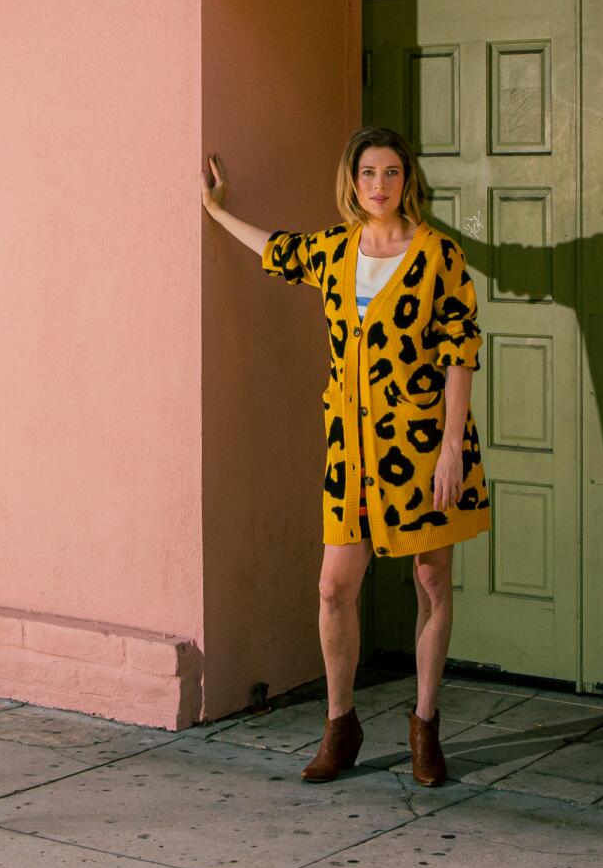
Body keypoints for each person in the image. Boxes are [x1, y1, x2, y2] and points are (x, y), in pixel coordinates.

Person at [202, 127, 491, 786]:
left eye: (391, 173)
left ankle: (424, 725)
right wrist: (217, 210)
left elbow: (460, 353)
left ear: (406, 180)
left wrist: (451, 448)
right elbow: (275, 248)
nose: (379, 186)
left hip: (422, 448)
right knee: (334, 588)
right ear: (352, 181)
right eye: (368, 173)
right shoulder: (334, 251)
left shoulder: (440, 255)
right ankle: (341, 725)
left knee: (431, 580)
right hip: (352, 452)